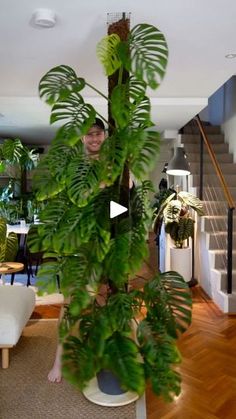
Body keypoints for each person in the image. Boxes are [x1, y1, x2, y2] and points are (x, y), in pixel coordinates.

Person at [48, 118, 106, 383]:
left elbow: (124, 207)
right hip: (77, 245)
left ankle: (101, 356)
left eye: (98, 133)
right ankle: (58, 360)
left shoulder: (114, 165)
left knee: (103, 301)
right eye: (89, 134)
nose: (94, 138)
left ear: (104, 136)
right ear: (83, 138)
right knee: (69, 304)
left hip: (104, 244)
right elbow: (69, 203)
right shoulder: (75, 167)